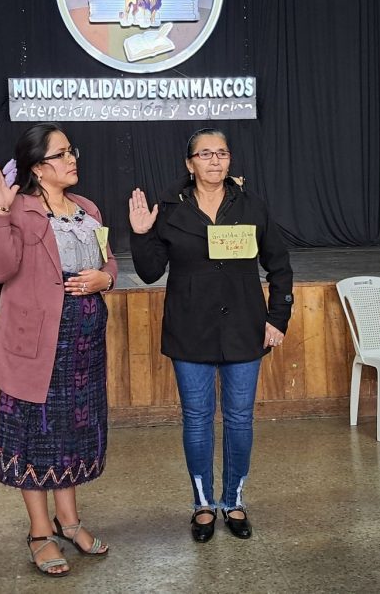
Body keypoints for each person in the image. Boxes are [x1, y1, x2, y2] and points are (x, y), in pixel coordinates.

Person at [128, 127, 293, 542]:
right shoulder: (169, 207)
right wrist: (141, 231)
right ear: (190, 164)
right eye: (205, 154)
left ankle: (233, 501)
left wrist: (277, 318)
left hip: (245, 328)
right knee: (198, 420)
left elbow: (280, 266)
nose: (215, 160)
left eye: (222, 153)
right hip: (190, 330)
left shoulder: (252, 205)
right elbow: (150, 272)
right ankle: (203, 504)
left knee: (239, 419)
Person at [0, 122, 117, 577]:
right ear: (38, 168)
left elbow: (106, 258)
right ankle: (41, 532)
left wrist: (106, 278)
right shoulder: (18, 210)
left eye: (71, 151)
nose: (72, 158)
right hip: (36, 345)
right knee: (36, 436)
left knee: (73, 433)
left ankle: (69, 521)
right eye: (61, 154)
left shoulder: (87, 208)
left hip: (84, 343)